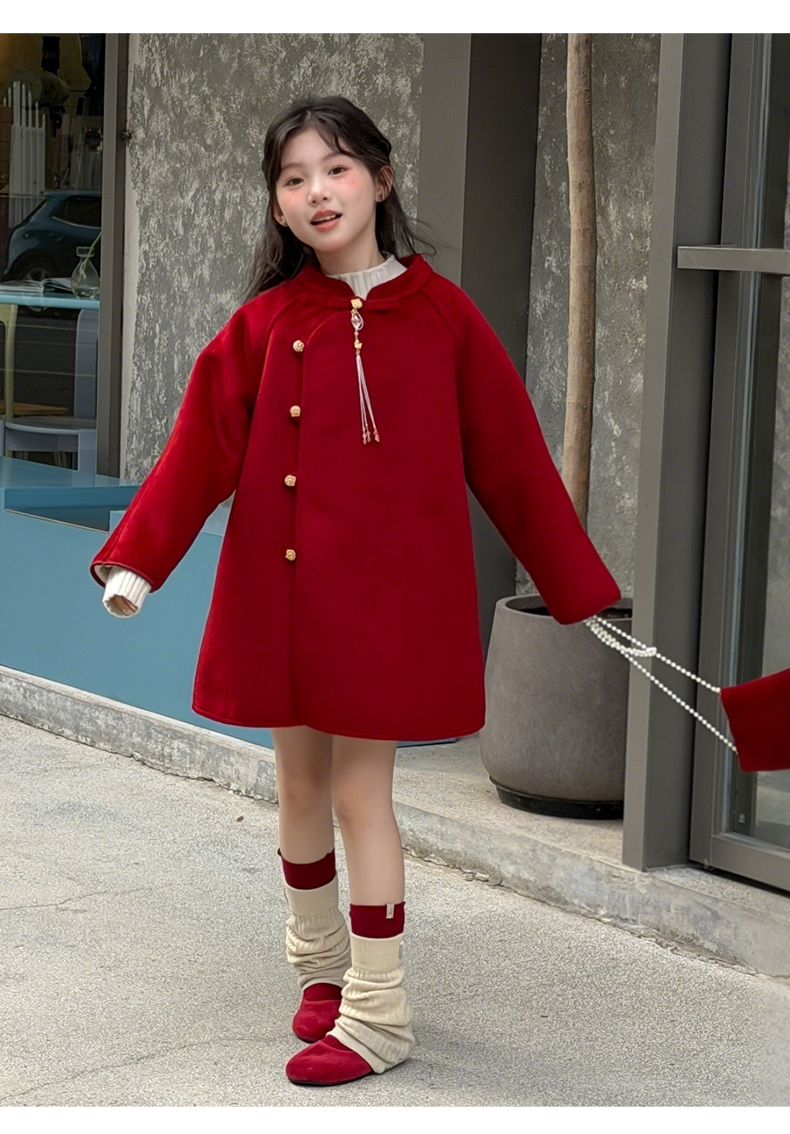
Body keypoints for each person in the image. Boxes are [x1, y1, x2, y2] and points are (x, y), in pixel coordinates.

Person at [89, 95, 621, 1088]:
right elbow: (198, 451)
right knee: (295, 786)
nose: (316, 192)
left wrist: (573, 586)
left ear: (380, 178)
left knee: (357, 792)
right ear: (277, 208)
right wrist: (137, 563)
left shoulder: (444, 317)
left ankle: (379, 1012)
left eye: (335, 169)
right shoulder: (263, 324)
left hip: (381, 609)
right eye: (293, 179)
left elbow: (512, 461)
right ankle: (320, 965)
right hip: (278, 595)